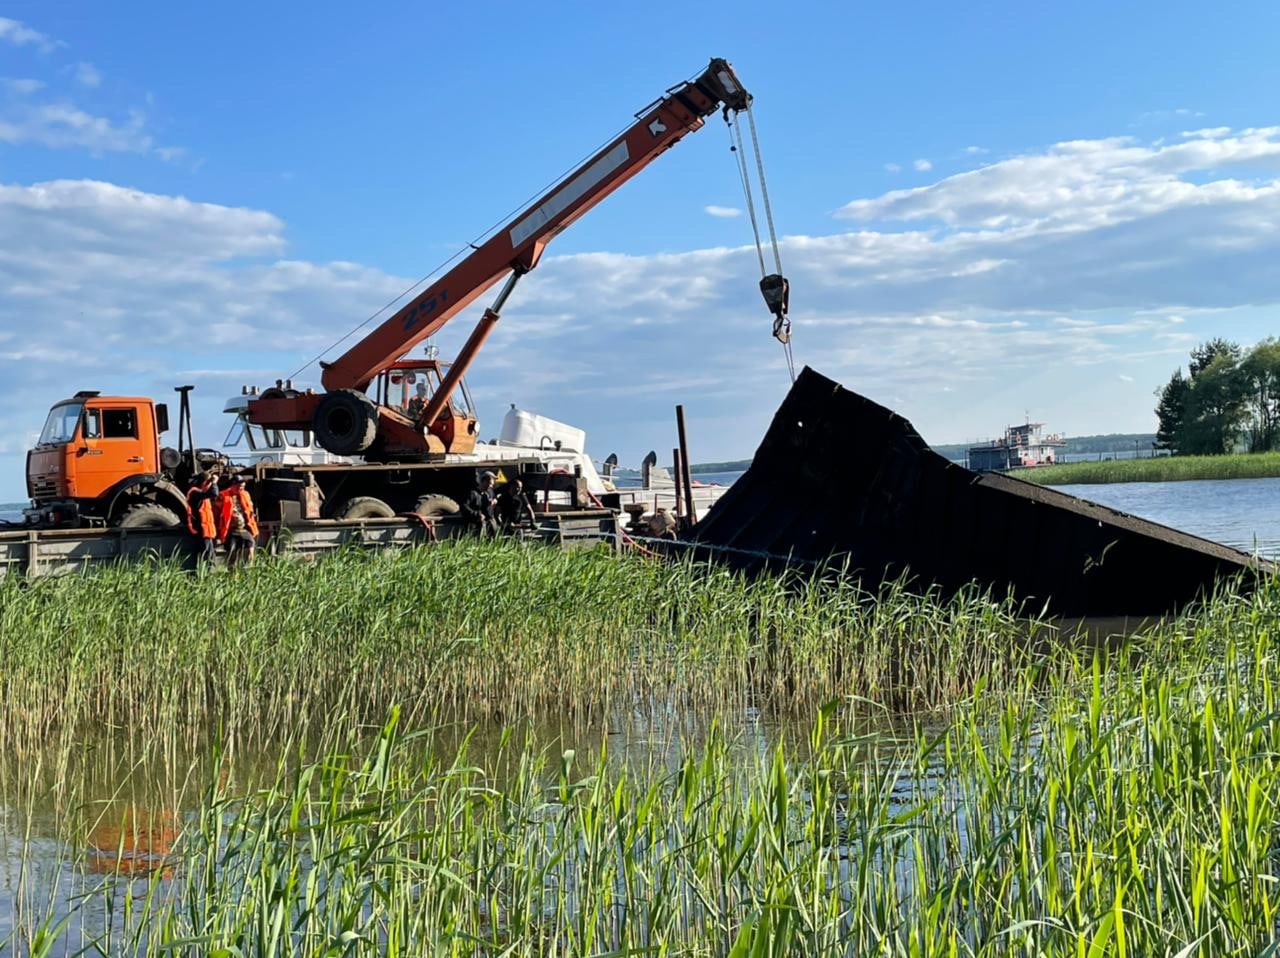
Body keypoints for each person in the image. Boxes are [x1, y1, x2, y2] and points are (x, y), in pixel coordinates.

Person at [217, 473, 260, 569]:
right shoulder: (223, 496)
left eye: (243, 487)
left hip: (243, 528)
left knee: (250, 544)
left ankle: (249, 570)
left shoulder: (245, 494)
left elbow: (249, 509)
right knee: (232, 554)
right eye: (239, 487)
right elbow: (216, 512)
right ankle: (232, 576)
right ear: (233, 485)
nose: (241, 489)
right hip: (230, 530)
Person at [186, 471, 219, 563]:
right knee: (204, 556)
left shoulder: (201, 493)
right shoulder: (195, 493)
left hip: (207, 531)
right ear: (204, 482)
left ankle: (209, 574)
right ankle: (202, 574)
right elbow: (214, 493)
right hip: (201, 529)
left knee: (210, 556)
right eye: (208, 483)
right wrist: (214, 483)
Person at [462, 470, 497, 535]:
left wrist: (494, 500)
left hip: (490, 523)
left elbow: (494, 498)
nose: (491, 486)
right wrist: (476, 514)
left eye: (492, 484)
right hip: (477, 525)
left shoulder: (490, 492)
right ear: (483, 481)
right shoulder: (473, 494)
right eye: (489, 484)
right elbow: (464, 507)